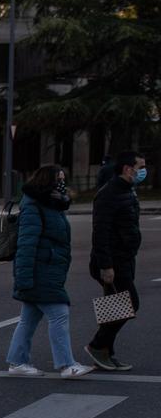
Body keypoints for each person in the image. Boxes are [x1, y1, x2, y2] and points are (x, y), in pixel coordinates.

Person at [6, 165, 92, 379]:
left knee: (29, 319)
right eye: (58, 179)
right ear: (46, 181)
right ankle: (67, 365)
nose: (62, 183)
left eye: (63, 179)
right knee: (59, 314)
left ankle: (17, 362)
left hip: (49, 267)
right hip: (40, 269)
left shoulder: (53, 204)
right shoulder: (34, 204)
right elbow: (26, 243)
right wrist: (24, 278)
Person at [85, 150, 145, 372]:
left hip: (125, 258)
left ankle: (106, 354)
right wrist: (106, 265)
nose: (143, 172)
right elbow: (101, 231)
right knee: (130, 303)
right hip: (113, 261)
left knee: (114, 307)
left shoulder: (127, 190)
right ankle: (97, 345)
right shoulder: (108, 193)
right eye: (140, 168)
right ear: (128, 169)